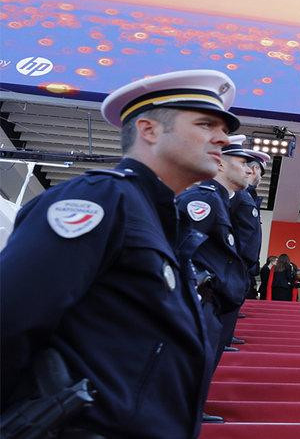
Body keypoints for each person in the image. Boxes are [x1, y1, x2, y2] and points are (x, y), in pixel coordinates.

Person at [0, 70, 238, 438]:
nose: (222, 138)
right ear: (149, 130)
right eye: (206, 123)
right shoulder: (101, 199)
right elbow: (11, 315)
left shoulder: (163, 223)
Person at [177, 135, 254, 423]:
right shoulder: (203, 199)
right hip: (197, 298)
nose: (248, 169)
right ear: (220, 163)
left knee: (205, 360)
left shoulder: (219, 200)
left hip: (213, 300)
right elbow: (181, 249)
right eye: (243, 162)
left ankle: (191, 412)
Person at [231, 142, 269, 304]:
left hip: (242, 266)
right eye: (261, 172)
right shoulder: (239, 195)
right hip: (235, 265)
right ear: (255, 169)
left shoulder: (248, 196)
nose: (260, 178)